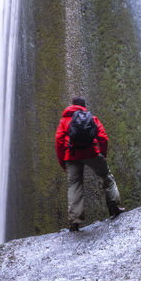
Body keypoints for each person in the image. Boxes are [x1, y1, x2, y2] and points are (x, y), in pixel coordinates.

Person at [54, 96, 125, 231]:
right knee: (106, 177)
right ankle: (114, 208)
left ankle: (75, 221)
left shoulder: (64, 120)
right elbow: (103, 137)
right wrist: (102, 154)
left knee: (75, 185)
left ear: (72, 105)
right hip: (91, 153)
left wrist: (63, 162)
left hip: (71, 156)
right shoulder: (91, 118)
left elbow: (59, 142)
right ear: (84, 106)